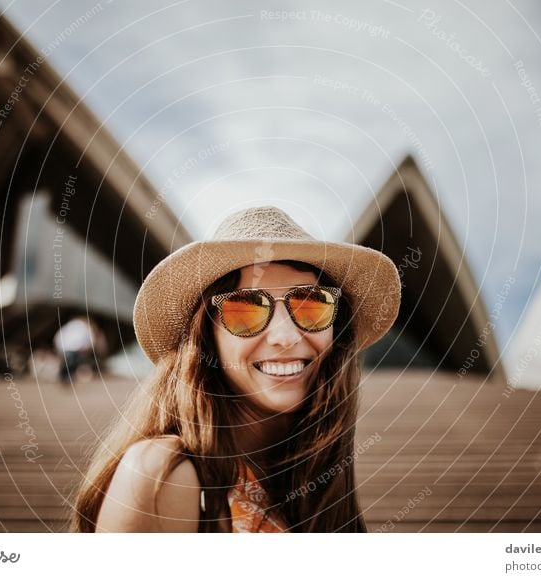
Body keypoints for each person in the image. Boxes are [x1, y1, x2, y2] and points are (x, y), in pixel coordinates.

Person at [72, 206, 400, 532]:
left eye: (311, 304)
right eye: (245, 309)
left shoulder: (317, 477)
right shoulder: (162, 474)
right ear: (206, 338)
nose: (286, 337)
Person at [53, 316, 95, 382]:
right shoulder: (83, 326)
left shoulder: (72, 325)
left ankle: (66, 376)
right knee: (71, 364)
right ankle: (68, 376)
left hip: (65, 348)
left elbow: (58, 337)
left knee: (70, 363)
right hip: (74, 349)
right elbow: (90, 341)